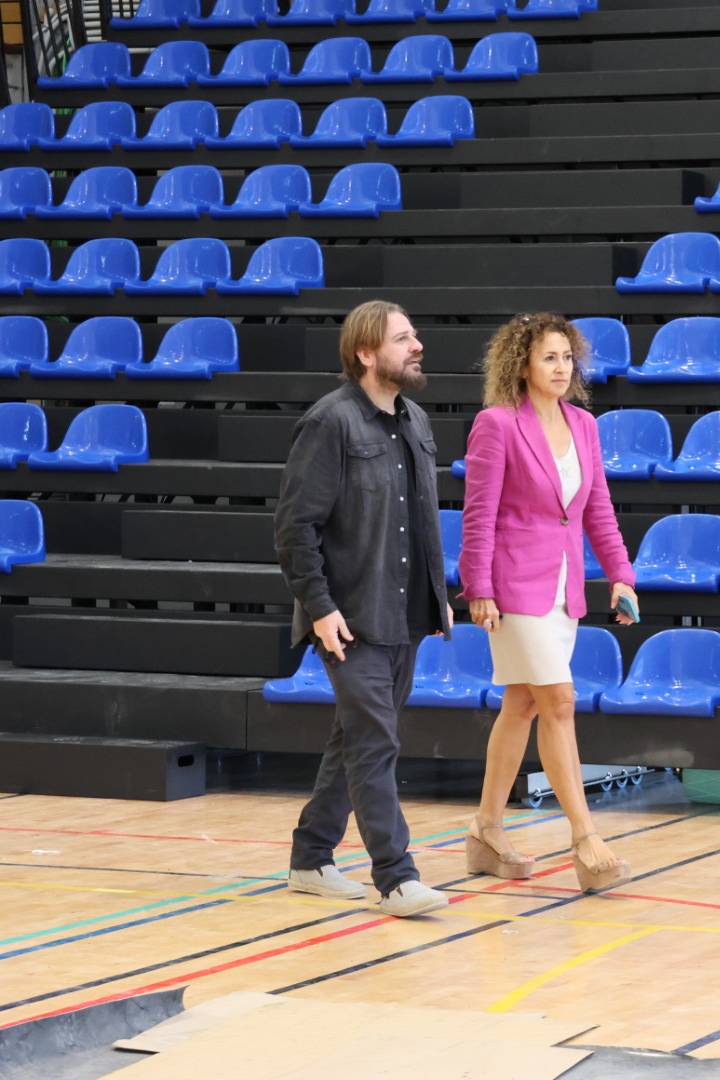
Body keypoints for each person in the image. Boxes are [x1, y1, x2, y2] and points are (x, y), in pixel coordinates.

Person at [274, 300, 451, 918]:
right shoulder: (330, 422)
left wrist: (437, 601)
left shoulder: (416, 420)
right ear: (366, 353)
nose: (417, 345)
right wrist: (319, 608)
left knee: (355, 738)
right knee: (376, 741)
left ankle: (309, 857)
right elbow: (295, 527)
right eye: (403, 338)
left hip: (404, 614)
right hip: (347, 618)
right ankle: (397, 877)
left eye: (414, 335)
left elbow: (420, 523)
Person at [459, 312, 639, 894]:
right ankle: (585, 839)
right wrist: (478, 587)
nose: (562, 368)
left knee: (521, 705)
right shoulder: (496, 424)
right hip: (512, 586)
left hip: (563, 589)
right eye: (549, 358)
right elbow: (479, 514)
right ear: (523, 365)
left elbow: (598, 509)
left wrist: (621, 575)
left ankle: (486, 831)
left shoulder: (584, 424)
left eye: (567, 357)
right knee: (558, 700)